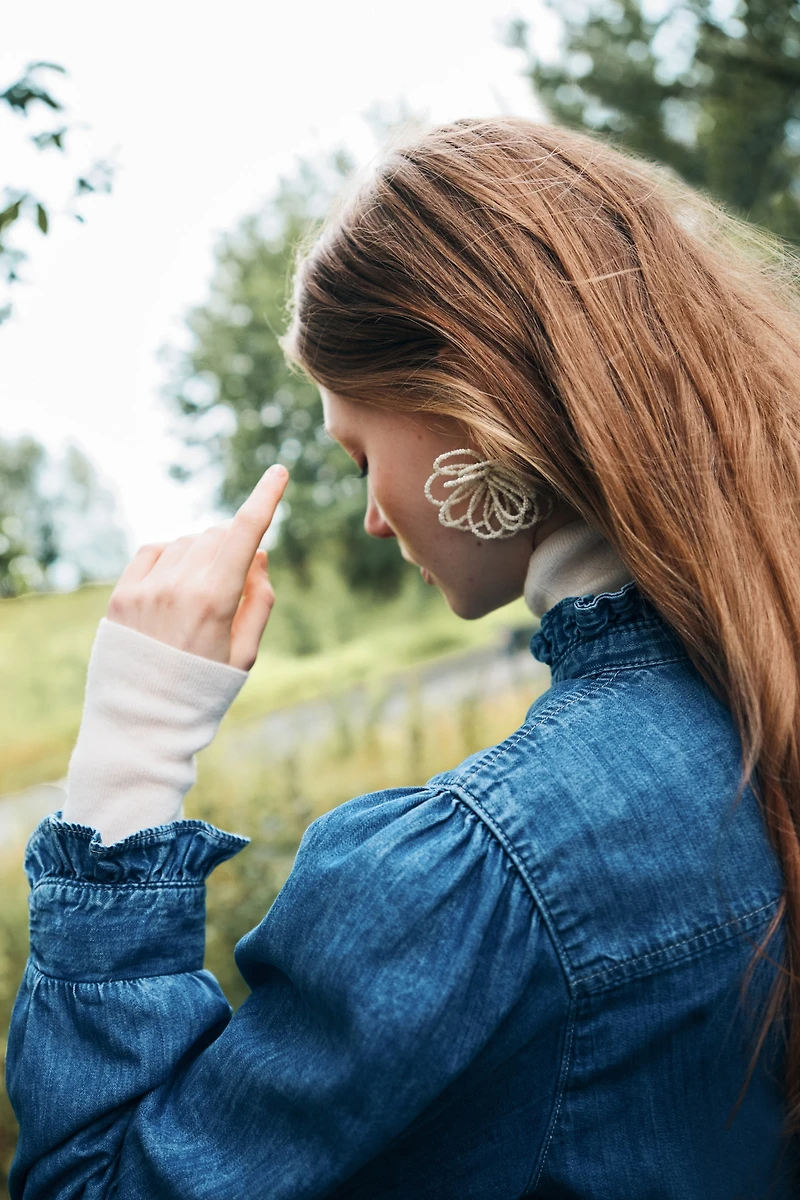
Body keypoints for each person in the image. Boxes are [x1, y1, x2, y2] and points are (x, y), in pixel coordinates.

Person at [7, 116, 800, 1197]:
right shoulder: (761, 695)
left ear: (470, 407)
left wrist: (129, 747)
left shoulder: (490, 874)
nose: (376, 518)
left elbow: (96, 1184)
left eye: (358, 449)